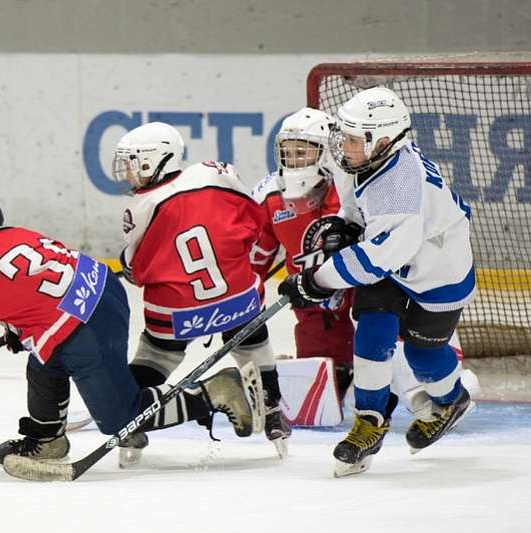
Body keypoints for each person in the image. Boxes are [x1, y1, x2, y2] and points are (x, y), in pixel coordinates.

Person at [0, 194, 263, 471]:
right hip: (103, 292)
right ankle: (47, 440)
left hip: (80, 328)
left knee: (119, 418)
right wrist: (21, 325)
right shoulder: (14, 233)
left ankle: (214, 391)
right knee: (44, 359)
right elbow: (26, 289)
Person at [278, 87, 476, 477]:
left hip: (439, 274)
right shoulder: (361, 159)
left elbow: (378, 256)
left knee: (422, 356)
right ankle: (368, 422)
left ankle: (452, 401)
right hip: (392, 264)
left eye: (352, 139)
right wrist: (345, 226)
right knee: (371, 328)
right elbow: (360, 216)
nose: (342, 146)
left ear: (383, 141)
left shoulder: (401, 186)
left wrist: (314, 282)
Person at [112, 122, 286, 458]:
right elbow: (252, 219)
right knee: (251, 334)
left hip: (178, 314)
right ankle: (273, 409)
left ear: (152, 162)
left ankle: (131, 419)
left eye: (133, 162)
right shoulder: (216, 173)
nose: (128, 172)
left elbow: (138, 270)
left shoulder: (139, 207)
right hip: (237, 299)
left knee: (156, 354)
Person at [250, 108, 360, 401]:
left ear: (326, 154)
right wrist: (242, 306)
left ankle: (437, 366)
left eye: (303, 152)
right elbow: (253, 263)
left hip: (367, 291)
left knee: (388, 336)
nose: (294, 161)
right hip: (314, 303)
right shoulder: (270, 196)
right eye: (288, 153)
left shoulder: (356, 187)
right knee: (326, 389)